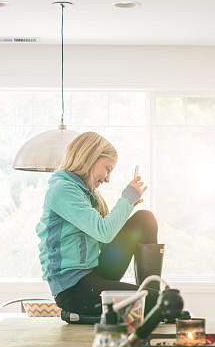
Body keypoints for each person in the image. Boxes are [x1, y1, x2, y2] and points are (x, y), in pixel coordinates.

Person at [37, 131, 164, 323]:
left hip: (93, 273)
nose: (108, 178)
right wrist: (126, 200)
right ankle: (152, 302)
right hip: (74, 289)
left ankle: (151, 289)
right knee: (159, 301)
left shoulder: (85, 194)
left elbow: (106, 241)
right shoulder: (62, 190)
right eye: (108, 168)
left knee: (144, 220)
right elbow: (104, 232)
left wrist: (128, 207)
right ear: (89, 158)